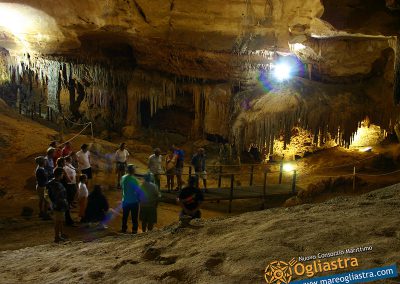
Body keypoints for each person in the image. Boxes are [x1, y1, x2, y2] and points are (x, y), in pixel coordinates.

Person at [47, 167, 69, 243]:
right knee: (58, 221)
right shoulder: (57, 184)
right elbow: (60, 196)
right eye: (63, 174)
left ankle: (61, 234)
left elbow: (48, 195)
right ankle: (57, 237)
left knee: (60, 220)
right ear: (60, 174)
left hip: (56, 204)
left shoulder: (51, 182)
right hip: (59, 205)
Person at [120, 164, 141, 234]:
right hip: (134, 201)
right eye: (134, 169)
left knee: (125, 216)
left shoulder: (123, 177)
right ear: (132, 171)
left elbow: (122, 187)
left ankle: (123, 228)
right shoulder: (135, 180)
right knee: (134, 217)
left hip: (125, 200)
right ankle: (134, 230)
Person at [56, 158, 75, 226]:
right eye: (64, 162)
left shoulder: (56, 168)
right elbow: (68, 180)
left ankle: (64, 220)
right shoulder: (62, 170)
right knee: (67, 205)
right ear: (61, 163)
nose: (65, 163)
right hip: (65, 188)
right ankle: (68, 221)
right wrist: (71, 178)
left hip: (59, 188)